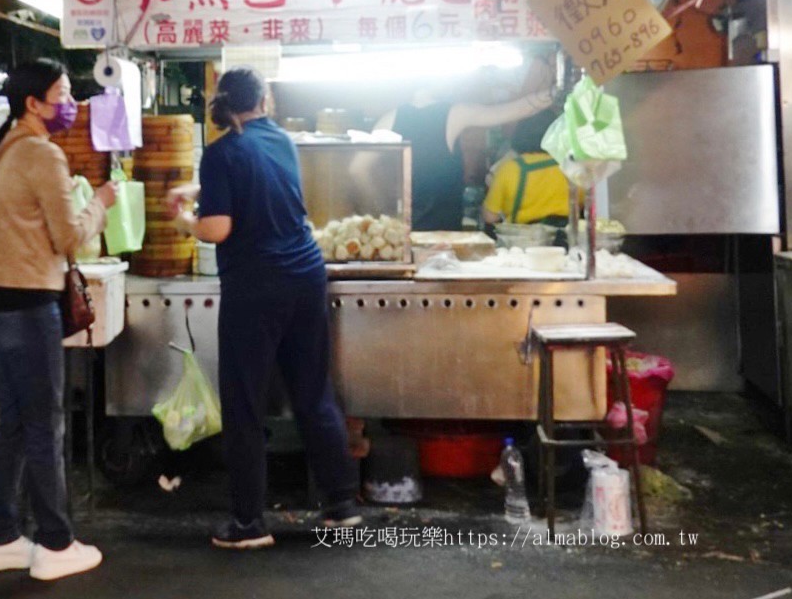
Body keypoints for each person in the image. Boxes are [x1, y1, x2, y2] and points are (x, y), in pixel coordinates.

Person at [168, 66, 360, 551]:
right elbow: (254, 180)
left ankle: (250, 524)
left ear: (220, 103)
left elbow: (218, 229)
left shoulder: (220, 152)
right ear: (264, 101)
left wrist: (184, 220)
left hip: (257, 287)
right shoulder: (280, 140)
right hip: (305, 277)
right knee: (314, 393)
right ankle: (341, 505)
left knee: (245, 403)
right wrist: (199, 190)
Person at [0, 59, 116, 581]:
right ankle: (56, 544)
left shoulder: (3, 149)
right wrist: (99, 203)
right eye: (63, 93)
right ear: (34, 103)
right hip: (28, 304)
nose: (71, 102)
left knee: (14, 420)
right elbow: (69, 237)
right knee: (43, 423)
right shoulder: (41, 154)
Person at [375, 83, 555, 231]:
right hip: (442, 235)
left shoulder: (387, 120)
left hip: (397, 234)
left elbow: (357, 168)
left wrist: (380, 208)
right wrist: (557, 90)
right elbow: (515, 110)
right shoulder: (454, 113)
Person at [482, 110, 571, 227]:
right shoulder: (569, 166)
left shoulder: (509, 168)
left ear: (520, 134)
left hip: (523, 240)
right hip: (563, 238)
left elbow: (490, 216)